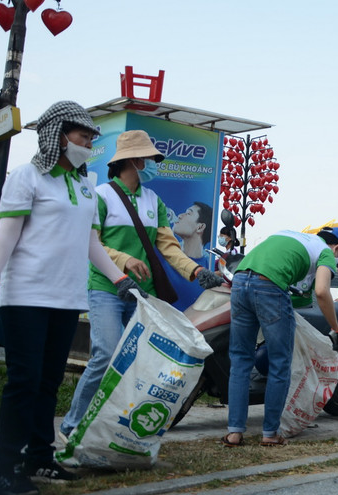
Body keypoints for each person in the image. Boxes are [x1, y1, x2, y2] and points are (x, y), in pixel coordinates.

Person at [0, 102, 144, 495]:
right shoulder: (28, 177)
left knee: (48, 381)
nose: (89, 144)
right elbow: (5, 236)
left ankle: (41, 456)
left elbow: (91, 242)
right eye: (82, 137)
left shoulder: (85, 184)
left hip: (65, 298)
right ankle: (6, 467)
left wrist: (119, 278)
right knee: (23, 383)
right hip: (25, 294)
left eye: (93, 138)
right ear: (57, 136)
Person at [59, 130, 224, 440]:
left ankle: (109, 427)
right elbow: (90, 243)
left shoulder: (153, 201)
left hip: (139, 295)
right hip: (106, 289)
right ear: (133, 161)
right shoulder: (102, 197)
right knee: (106, 355)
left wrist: (196, 272)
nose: (152, 163)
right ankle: (71, 427)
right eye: (149, 158)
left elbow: (169, 247)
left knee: (134, 364)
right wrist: (123, 261)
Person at [223, 226, 338, 447]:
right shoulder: (325, 252)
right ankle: (270, 433)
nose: (335, 266)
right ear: (337, 249)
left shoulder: (290, 235)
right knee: (280, 363)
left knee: (241, 361)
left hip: (241, 280)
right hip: (269, 286)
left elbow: (297, 297)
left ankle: (234, 433)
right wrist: (337, 330)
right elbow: (321, 291)